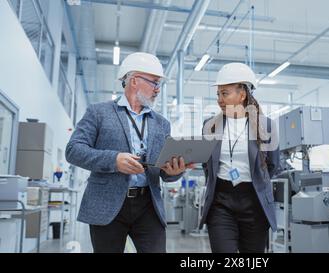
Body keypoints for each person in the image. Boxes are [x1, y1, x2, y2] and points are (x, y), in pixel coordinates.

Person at [66, 52, 193, 253]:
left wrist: (175, 170)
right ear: (134, 81)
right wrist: (114, 160)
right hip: (107, 204)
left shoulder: (162, 124)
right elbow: (73, 150)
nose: (158, 89)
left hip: (148, 205)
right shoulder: (99, 112)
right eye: (154, 82)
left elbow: (163, 173)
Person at [200, 63, 280, 253]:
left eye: (225, 93)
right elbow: (207, 165)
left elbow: (273, 165)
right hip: (220, 202)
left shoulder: (266, 126)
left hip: (254, 202)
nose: (219, 99)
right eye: (218, 94)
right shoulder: (209, 125)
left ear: (242, 94)